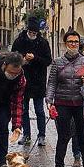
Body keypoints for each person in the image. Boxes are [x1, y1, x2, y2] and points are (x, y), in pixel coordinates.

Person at [46, 30, 84, 167]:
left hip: (80, 102)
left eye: (75, 42)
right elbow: (52, 83)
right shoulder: (58, 62)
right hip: (62, 102)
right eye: (70, 42)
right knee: (63, 135)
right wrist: (49, 101)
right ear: (65, 43)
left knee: (82, 135)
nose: (73, 44)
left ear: (78, 43)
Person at [11, 16, 52, 147]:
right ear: (27, 30)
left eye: (35, 33)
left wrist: (35, 58)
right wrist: (23, 59)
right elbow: (13, 58)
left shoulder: (43, 42)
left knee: (39, 110)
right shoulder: (19, 41)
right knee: (23, 110)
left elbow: (48, 61)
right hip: (22, 81)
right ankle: (26, 135)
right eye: (31, 32)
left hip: (38, 81)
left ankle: (41, 135)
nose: (33, 35)